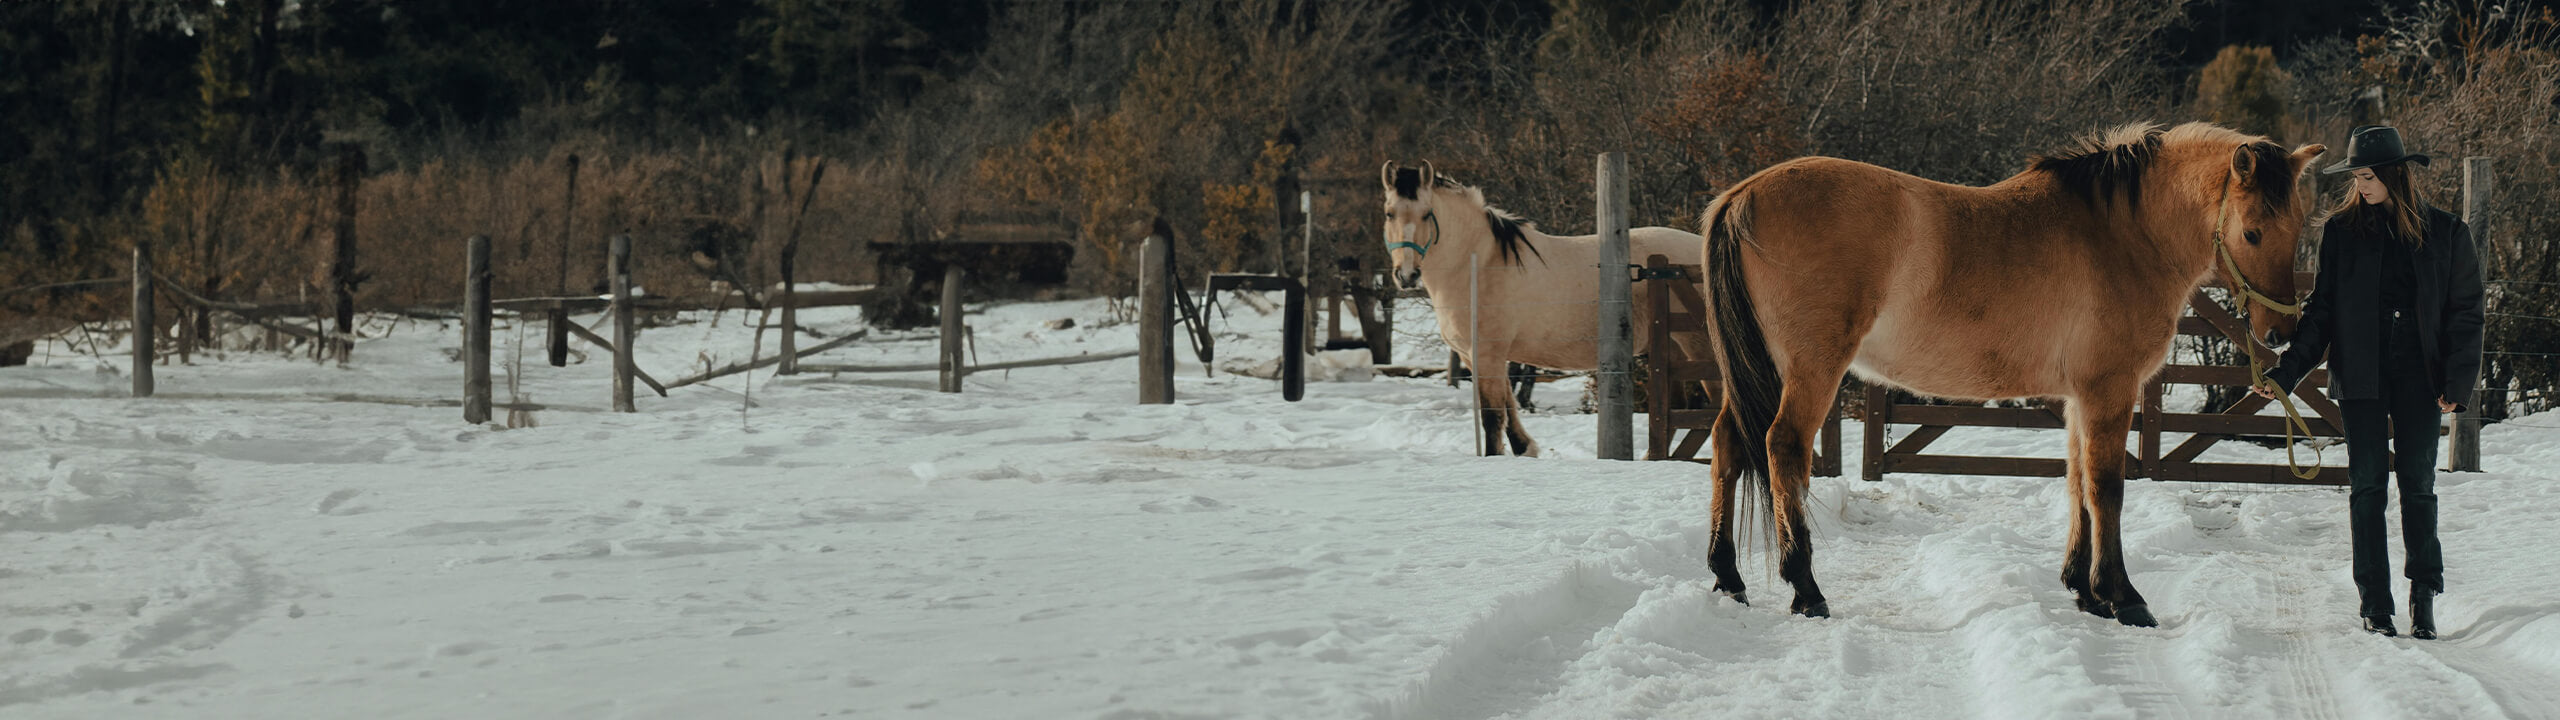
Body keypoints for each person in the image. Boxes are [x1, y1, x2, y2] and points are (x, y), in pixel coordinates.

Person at [2259, 125, 2485, 639]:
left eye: (2367, 176)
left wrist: (2457, 381)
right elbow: (2322, 315)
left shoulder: (2447, 233)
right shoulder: (2341, 233)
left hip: (2421, 380)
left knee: (2419, 488)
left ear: (2393, 175)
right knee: (2366, 489)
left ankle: (2424, 594)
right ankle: (2375, 604)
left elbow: (2467, 315)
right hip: (2360, 379)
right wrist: (2287, 374)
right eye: (2356, 176)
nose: (2360, 186)